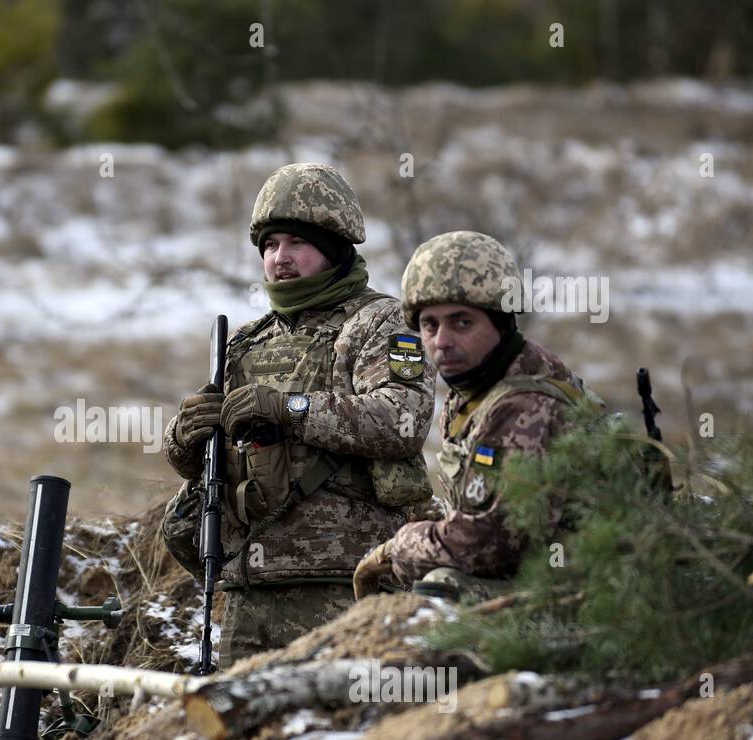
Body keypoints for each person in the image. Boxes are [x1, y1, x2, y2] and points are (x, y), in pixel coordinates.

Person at [163, 163, 434, 664]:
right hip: (250, 585)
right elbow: (215, 468)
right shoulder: (245, 342)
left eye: (295, 243)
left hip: (349, 583)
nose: (279, 258)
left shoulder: (380, 322)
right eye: (269, 246)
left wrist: (290, 408)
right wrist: (185, 439)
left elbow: (403, 420)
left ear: (332, 247)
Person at [353, 230, 596, 603]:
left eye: (461, 323)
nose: (442, 341)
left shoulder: (524, 404)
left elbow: (485, 546)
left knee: (442, 589)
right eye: (429, 325)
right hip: (552, 583)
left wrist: (399, 548)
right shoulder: (476, 391)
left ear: (500, 321)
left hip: (582, 597)